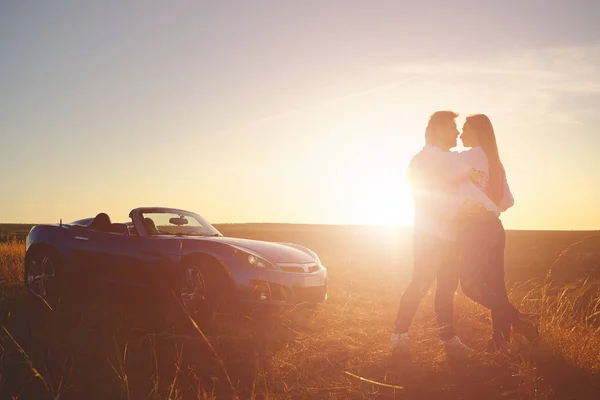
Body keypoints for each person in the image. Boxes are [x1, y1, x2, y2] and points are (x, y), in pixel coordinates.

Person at [452, 114, 538, 352]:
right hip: (494, 228)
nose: (460, 134)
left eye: (464, 129)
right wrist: (487, 205)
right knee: (496, 286)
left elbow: (439, 176)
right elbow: (507, 201)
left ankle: (520, 320)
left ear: (477, 131)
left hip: (475, 228)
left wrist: (473, 205)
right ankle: (500, 341)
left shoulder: (466, 158)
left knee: (469, 285)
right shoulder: (494, 162)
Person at [391, 111, 473, 354]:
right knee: (421, 283)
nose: (457, 133)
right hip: (430, 235)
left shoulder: (448, 160)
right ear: (435, 130)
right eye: (451, 128)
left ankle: (448, 338)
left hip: (452, 235)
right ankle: (399, 334)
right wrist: (458, 212)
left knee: (447, 289)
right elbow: (426, 197)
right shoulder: (424, 160)